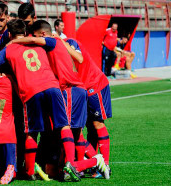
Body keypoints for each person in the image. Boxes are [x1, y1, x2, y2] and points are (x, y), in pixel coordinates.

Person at [9, 20, 110, 180]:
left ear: (42, 34)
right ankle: (94, 161)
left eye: (35, 36)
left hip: (71, 88)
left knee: (65, 127)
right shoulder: (58, 44)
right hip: (78, 89)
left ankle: (74, 165)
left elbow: (36, 41)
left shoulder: (53, 41)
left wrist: (14, 41)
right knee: (76, 133)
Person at [0, 19, 79, 182]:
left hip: (31, 92)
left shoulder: (8, 49)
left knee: (31, 133)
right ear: (26, 32)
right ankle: (70, 163)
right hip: (52, 86)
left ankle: (29, 171)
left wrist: (6, 77)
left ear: (10, 34)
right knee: (63, 126)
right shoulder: (40, 44)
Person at [66, 38, 112, 177]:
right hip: (80, 89)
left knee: (97, 124)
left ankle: (105, 165)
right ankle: (88, 163)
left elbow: (79, 58)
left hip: (94, 85)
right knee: (80, 127)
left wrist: (59, 42)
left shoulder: (70, 43)